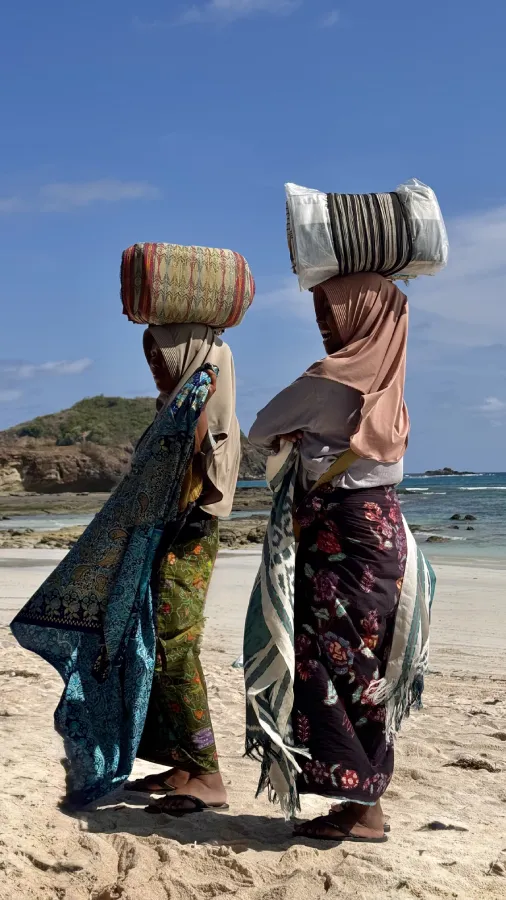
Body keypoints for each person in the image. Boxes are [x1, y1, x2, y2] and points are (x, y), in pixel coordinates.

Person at [248, 272, 418, 842]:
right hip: (384, 536)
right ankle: (361, 799)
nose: (324, 322)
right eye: (320, 310)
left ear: (364, 317)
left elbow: (261, 426)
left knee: (331, 661)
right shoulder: (389, 381)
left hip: (342, 538)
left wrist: (300, 438)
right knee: (366, 666)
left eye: (333, 310)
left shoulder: (330, 382)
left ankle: (362, 805)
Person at [129, 324, 241, 816]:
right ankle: (180, 764)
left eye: (163, 350)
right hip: (169, 536)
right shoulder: (176, 400)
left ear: (188, 351)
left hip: (186, 537)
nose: (154, 360)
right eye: (148, 351)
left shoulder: (197, 397)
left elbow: (189, 470)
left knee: (176, 649)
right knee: (160, 644)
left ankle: (209, 775)